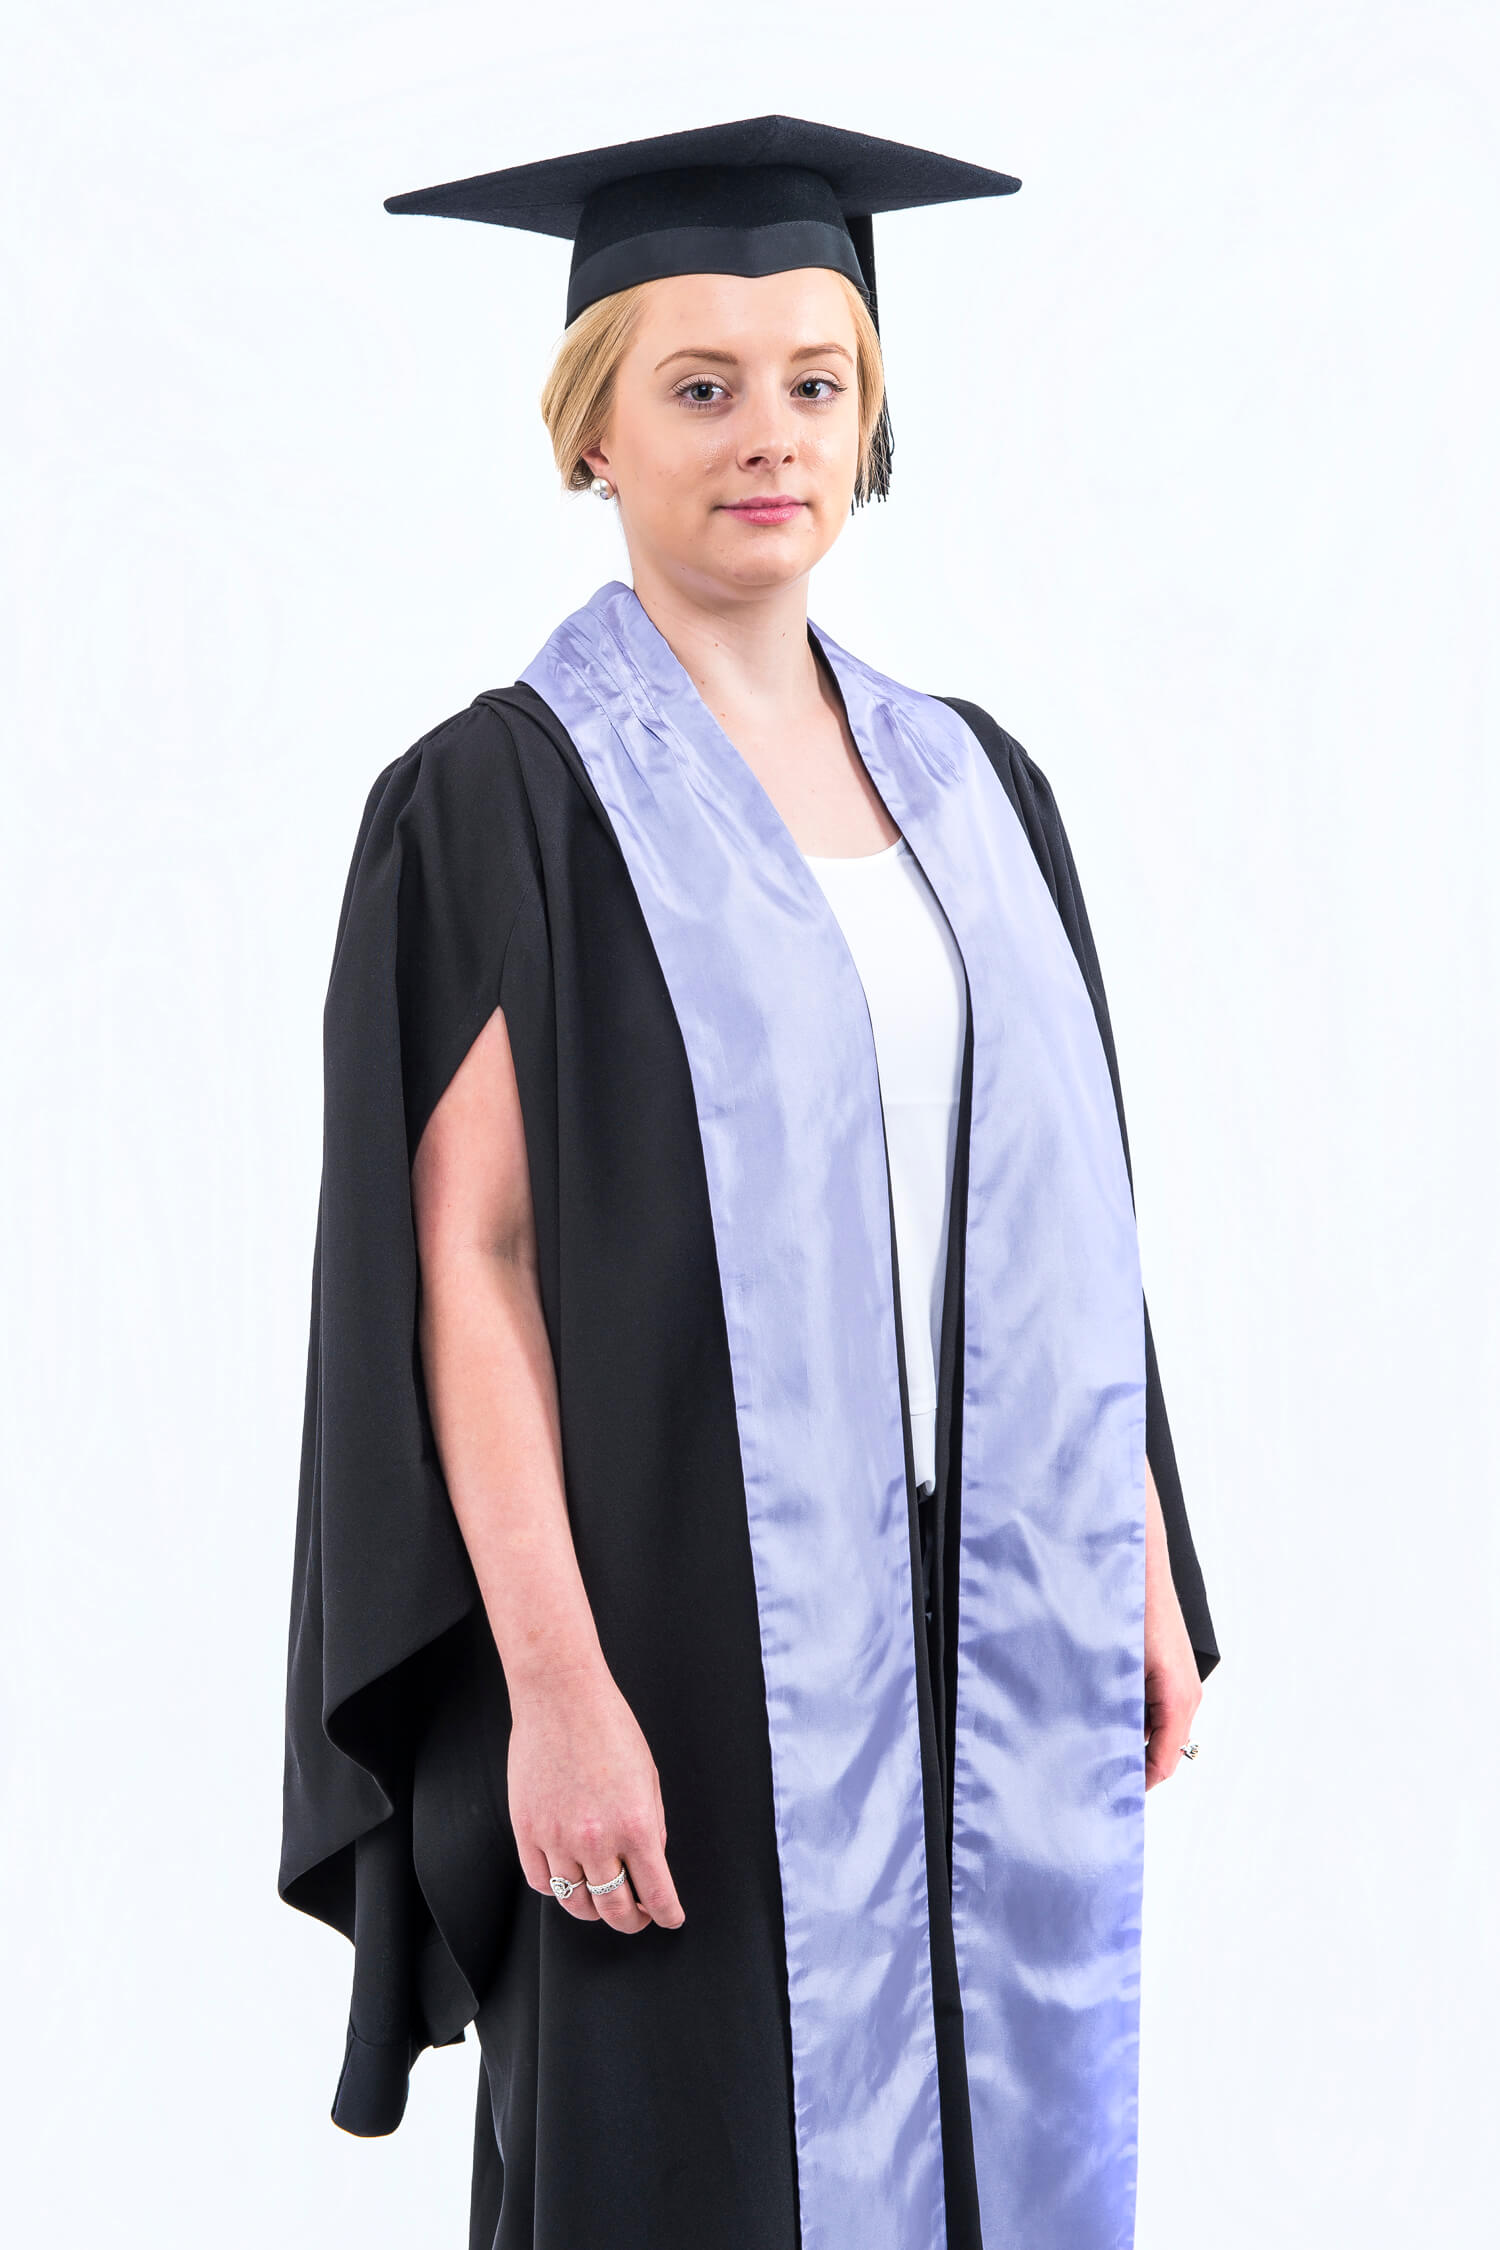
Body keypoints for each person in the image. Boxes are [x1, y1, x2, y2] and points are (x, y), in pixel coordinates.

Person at [278, 114, 1219, 2250]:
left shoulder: (982, 785)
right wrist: (555, 1687)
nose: (767, 433)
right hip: (681, 1628)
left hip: (987, 1613)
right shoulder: (497, 801)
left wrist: (1139, 1542)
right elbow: (469, 1265)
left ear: (872, 412)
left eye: (818, 379)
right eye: (698, 385)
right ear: (591, 428)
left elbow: (1059, 1200)